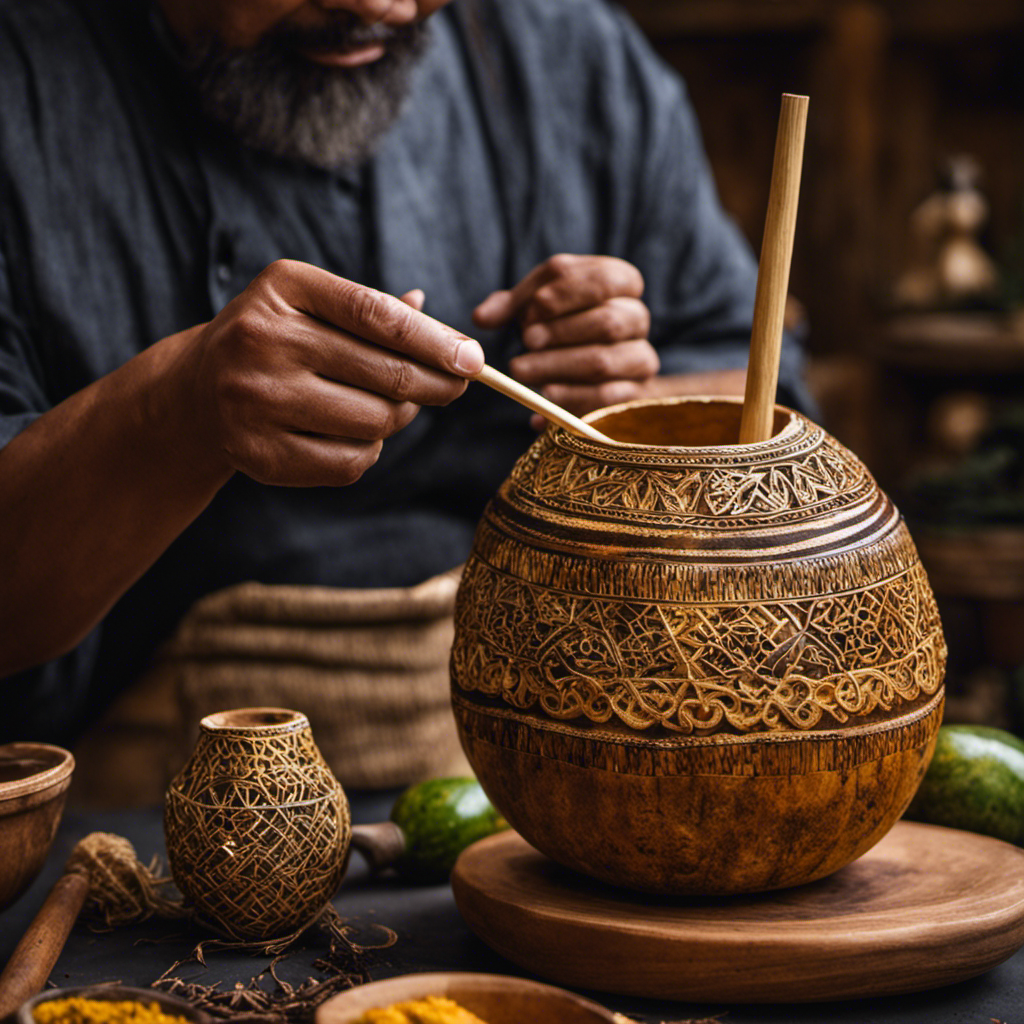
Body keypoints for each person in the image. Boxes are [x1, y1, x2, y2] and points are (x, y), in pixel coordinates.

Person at [0, 0, 808, 745]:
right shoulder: (26, 85)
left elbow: (777, 410)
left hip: (549, 753)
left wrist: (635, 411)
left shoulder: (569, 55)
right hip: (134, 795)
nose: (382, 6)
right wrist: (168, 416)